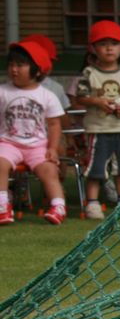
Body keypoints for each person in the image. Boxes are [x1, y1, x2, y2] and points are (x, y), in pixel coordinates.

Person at [72, 20, 120, 220]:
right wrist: (97, 101)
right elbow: (80, 97)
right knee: (96, 167)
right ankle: (93, 203)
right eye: (103, 44)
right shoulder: (89, 73)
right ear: (93, 48)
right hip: (99, 128)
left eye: (114, 43)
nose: (109, 48)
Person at [0, 40, 67, 225]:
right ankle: (2, 206)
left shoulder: (47, 95)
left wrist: (53, 148)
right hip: (8, 143)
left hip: (37, 145)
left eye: (20, 65)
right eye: (11, 64)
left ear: (37, 70)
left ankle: (58, 206)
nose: (14, 69)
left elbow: (54, 124)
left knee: (49, 170)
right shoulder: (2, 91)